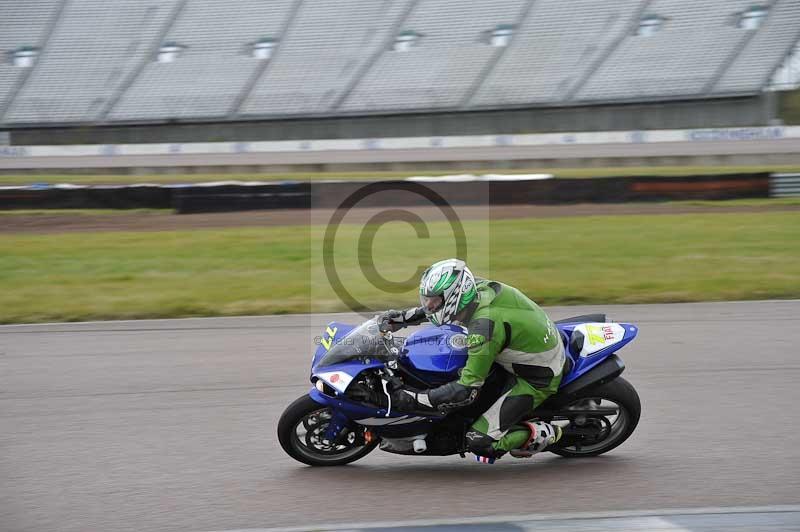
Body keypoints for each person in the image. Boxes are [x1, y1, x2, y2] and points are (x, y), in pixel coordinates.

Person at [380, 258, 565, 461]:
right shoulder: (474, 289)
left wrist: (414, 398)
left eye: (433, 300)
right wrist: (403, 318)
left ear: (454, 297)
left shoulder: (483, 329)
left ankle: (548, 433)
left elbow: (467, 389)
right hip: (531, 341)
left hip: (538, 377)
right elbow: (439, 309)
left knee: (479, 442)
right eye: (426, 300)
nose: (429, 305)